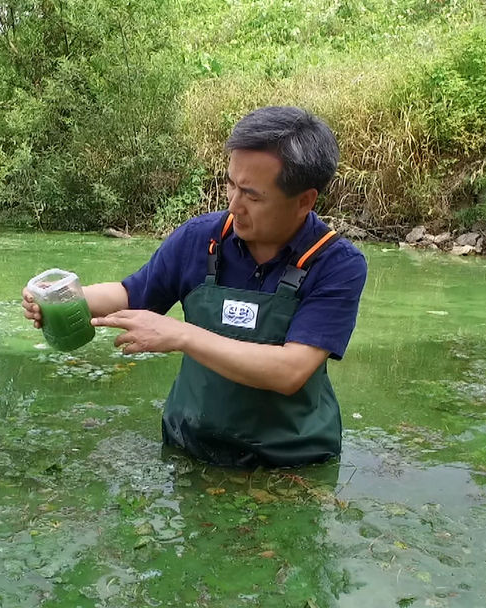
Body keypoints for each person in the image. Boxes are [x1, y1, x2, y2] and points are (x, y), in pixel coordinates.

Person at [23, 106, 367, 467]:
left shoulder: (336, 265)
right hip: (189, 450)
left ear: (304, 201)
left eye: (252, 195)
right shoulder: (200, 238)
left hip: (292, 462)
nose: (233, 205)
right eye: (231, 184)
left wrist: (181, 335)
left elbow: (289, 371)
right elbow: (133, 294)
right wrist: (65, 297)